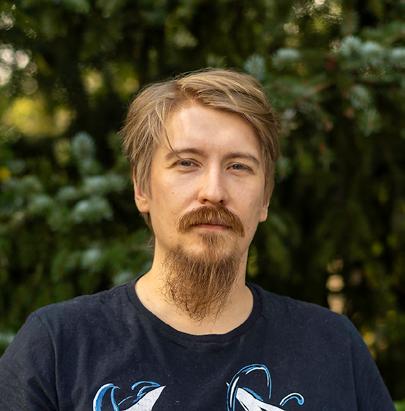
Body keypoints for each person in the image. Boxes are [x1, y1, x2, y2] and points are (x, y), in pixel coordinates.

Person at [0, 68, 395, 411]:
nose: (214, 192)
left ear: (265, 198)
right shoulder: (58, 346)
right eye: (187, 163)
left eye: (238, 166)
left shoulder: (332, 347)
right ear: (142, 188)